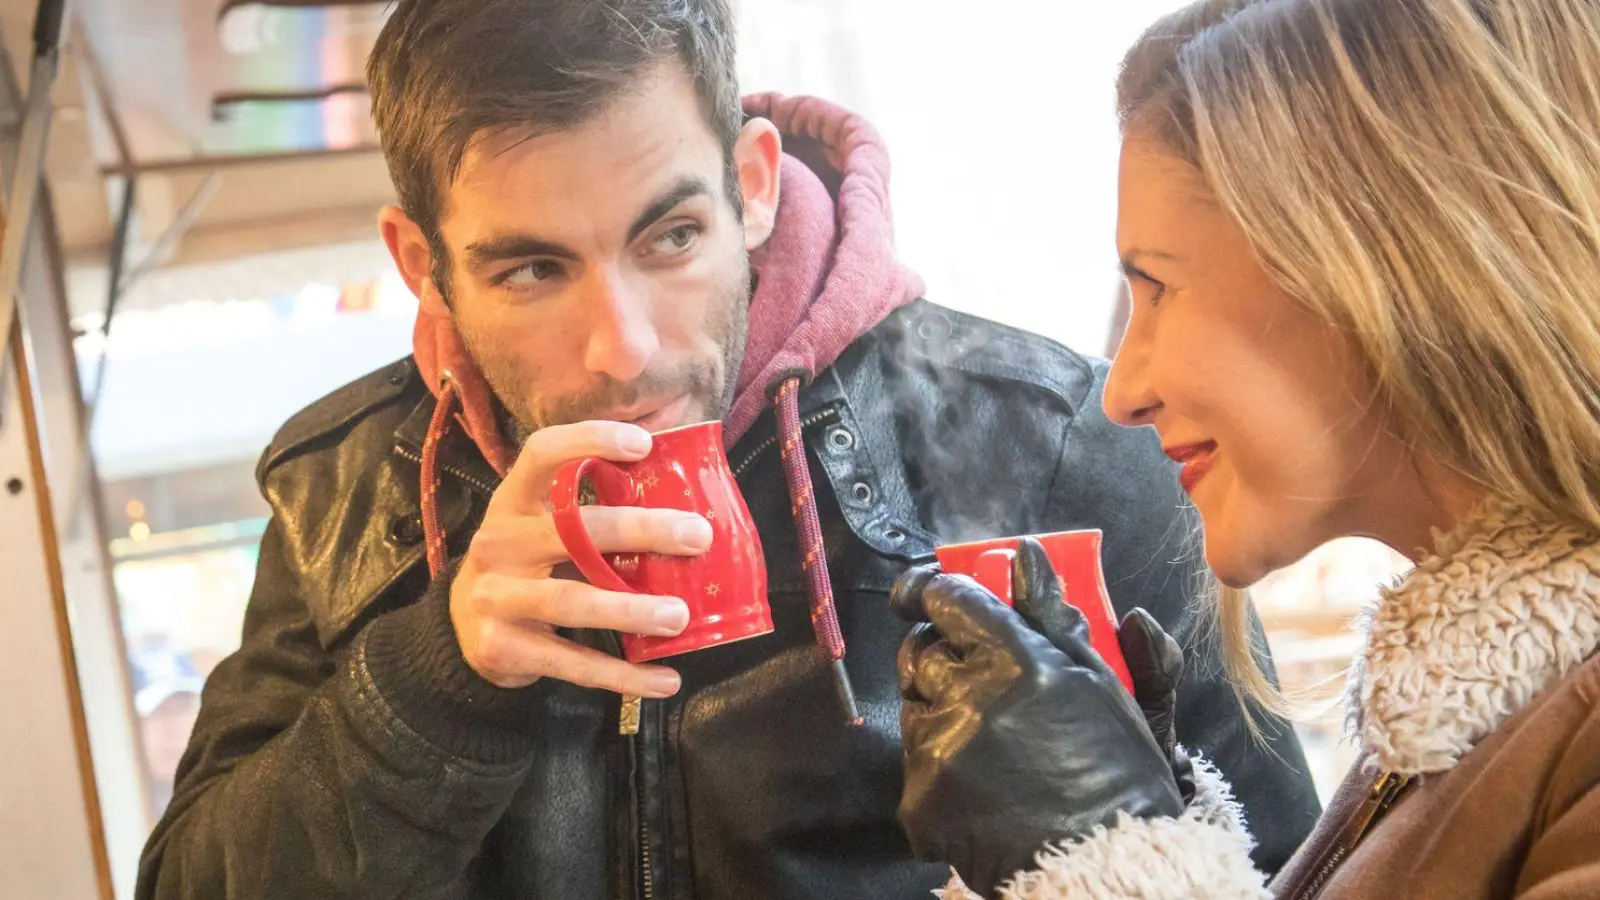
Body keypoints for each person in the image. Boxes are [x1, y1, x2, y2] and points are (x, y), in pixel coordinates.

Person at [133, 2, 1320, 897]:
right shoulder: (346, 487)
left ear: (752, 187)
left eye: (672, 236)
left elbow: (1287, 871)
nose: (623, 349)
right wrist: (433, 681)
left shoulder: (1055, 439)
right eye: (532, 268)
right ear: (419, 262)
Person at [893, 0, 1600, 896]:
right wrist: (1148, 809)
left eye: (1157, 287)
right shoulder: (1470, 719)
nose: (1121, 391)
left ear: (1376, 262)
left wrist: (1096, 850)